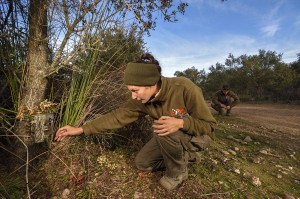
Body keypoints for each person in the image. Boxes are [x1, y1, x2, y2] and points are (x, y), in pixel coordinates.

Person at [55, 53, 216, 190]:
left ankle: (177, 173)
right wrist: (81, 129)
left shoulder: (185, 88)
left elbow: (209, 126)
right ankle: (185, 156)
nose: (133, 96)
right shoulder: (142, 99)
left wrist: (181, 123)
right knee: (142, 163)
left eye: (135, 91)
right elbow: (117, 117)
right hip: (169, 137)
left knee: (164, 126)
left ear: (151, 83)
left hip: (199, 136)